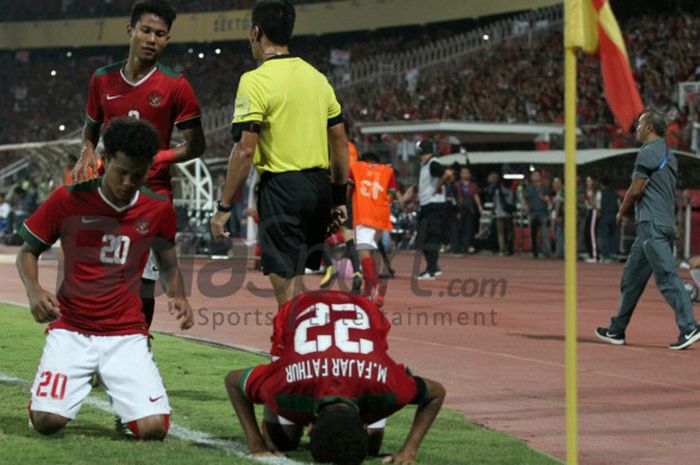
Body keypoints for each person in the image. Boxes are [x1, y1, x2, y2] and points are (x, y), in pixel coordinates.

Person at [15, 118, 194, 438]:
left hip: (126, 332)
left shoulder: (157, 209)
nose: (128, 182)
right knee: (47, 423)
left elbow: (168, 264)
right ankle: (49, 392)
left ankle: (125, 390)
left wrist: (178, 295)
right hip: (72, 328)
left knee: (153, 430)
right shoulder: (67, 199)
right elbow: (27, 252)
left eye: (137, 175)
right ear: (105, 160)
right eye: (121, 172)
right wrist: (34, 290)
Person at [72, 0, 205, 328]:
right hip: (109, 192)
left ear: (167, 40)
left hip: (154, 193)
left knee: (144, 279)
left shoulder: (176, 86)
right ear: (130, 30)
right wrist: (87, 152)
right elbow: (90, 133)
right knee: (105, 272)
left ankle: (137, 340)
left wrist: (161, 156)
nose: (152, 39)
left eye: (160, 34)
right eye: (146, 30)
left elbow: (197, 145)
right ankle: (99, 337)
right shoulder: (101, 80)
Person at [211, 0, 349, 306]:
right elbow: (339, 141)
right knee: (295, 279)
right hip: (319, 188)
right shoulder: (317, 77)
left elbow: (245, 149)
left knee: (284, 288)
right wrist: (340, 198)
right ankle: (300, 347)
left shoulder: (255, 80)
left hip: (283, 188)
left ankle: (294, 348)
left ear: (255, 32)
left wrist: (223, 206)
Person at [224, 290, 445, 464]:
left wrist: (258, 447)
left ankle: (275, 387)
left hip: (361, 315)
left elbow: (233, 380)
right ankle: (275, 378)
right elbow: (233, 381)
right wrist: (257, 446)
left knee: (364, 446)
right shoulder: (287, 389)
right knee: (284, 441)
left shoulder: (384, 388)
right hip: (298, 310)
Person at [595, 109, 700, 350]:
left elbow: (636, 188)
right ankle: (616, 329)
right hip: (653, 225)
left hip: (652, 225)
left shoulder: (648, 151)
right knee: (631, 279)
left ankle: (689, 326)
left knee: (666, 277)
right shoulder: (665, 152)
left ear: (651, 127)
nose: (636, 128)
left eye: (640, 124)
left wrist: (622, 212)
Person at [348, 152, 399, 306]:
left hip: (364, 214)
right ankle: (369, 289)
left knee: (363, 251)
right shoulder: (388, 171)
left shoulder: (356, 168)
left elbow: (349, 189)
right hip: (381, 216)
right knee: (370, 251)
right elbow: (392, 195)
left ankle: (374, 289)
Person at [413, 139, 452, 280]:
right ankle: (433, 267)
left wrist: (437, 187)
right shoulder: (425, 165)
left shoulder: (432, 163)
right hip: (426, 206)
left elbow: (447, 174)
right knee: (422, 239)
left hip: (434, 206)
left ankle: (431, 270)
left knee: (431, 239)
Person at [523, 171, 551, 258]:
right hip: (533, 212)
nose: (534, 177)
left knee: (544, 233)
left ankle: (547, 251)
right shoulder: (529, 188)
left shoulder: (544, 188)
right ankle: (535, 251)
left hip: (543, 212)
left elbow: (548, 199)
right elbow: (526, 199)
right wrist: (526, 207)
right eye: (533, 175)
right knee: (533, 233)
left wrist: (544, 198)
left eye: (536, 175)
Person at [455, 167, 482, 255]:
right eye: (463, 172)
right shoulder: (458, 184)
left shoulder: (472, 185)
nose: (464, 174)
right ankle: (459, 246)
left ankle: (466, 246)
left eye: (466, 172)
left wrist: (479, 207)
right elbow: (457, 197)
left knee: (468, 228)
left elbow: (475, 196)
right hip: (460, 208)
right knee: (460, 228)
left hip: (469, 208)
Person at [598, 176, 619, 263]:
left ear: (601, 184)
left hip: (604, 214)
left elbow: (598, 205)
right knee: (613, 235)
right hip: (614, 214)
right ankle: (613, 253)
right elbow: (619, 204)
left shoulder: (600, 193)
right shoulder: (614, 193)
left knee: (605, 235)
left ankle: (606, 255)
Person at [582, 175, 601, 263]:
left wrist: (589, 197)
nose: (587, 183)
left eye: (589, 181)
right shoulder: (587, 191)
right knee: (586, 234)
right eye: (587, 181)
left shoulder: (597, 192)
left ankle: (595, 256)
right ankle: (591, 253)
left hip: (594, 212)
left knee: (592, 234)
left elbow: (595, 205)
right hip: (589, 212)